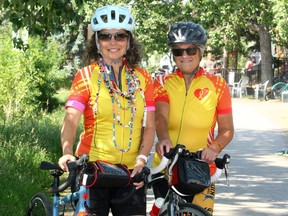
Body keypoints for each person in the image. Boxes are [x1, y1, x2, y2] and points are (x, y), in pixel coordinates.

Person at [58, 5, 155, 216]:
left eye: (120, 35)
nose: (113, 42)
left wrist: (142, 160)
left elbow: (149, 125)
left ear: (129, 41)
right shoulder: (85, 76)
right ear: (97, 41)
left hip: (131, 173)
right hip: (93, 170)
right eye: (105, 36)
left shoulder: (143, 78)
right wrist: (67, 152)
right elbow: (71, 120)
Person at [152, 21, 234, 215]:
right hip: (167, 162)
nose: (185, 56)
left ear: (201, 51)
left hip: (201, 166)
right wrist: (163, 138)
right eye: (178, 52)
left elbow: (227, 129)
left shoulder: (217, 84)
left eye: (190, 50)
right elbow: (160, 117)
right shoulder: (162, 82)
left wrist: (214, 148)